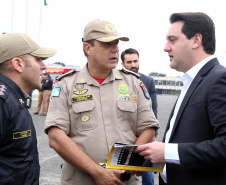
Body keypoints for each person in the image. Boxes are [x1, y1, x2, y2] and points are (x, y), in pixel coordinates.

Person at [44, 19, 159, 185]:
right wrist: (98, 172)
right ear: (88, 48)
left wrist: (127, 167)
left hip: (124, 180)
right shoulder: (66, 84)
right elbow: (55, 136)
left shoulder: (133, 83)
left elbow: (148, 126)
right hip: (80, 180)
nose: (115, 49)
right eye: (107, 44)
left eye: (116, 43)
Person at [135, 12, 226, 185]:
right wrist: (150, 159)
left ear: (196, 40)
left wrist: (167, 152)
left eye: (172, 39)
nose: (165, 47)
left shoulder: (219, 79)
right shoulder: (191, 81)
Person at [0, 32, 56, 184]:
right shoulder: (3, 102)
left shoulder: (13, 99)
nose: (44, 66)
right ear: (18, 64)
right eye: (38, 59)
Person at [121, 48, 158, 185]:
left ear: (139, 61)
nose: (133, 65)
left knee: (146, 166)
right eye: (129, 62)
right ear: (123, 64)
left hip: (145, 130)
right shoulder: (117, 81)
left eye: (135, 61)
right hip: (125, 130)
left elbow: (153, 107)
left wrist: (154, 132)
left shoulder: (148, 81)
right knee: (124, 166)